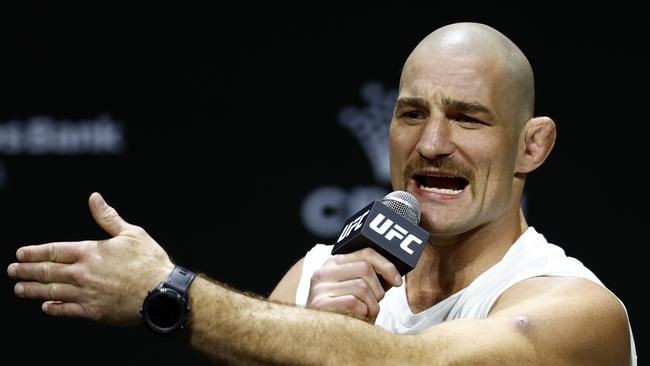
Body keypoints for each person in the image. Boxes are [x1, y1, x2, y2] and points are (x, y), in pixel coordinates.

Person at [7, 22, 637, 365]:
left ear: (532, 145)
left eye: (469, 119)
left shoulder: (575, 312)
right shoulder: (314, 281)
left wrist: (169, 291)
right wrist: (314, 328)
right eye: (412, 113)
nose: (433, 143)